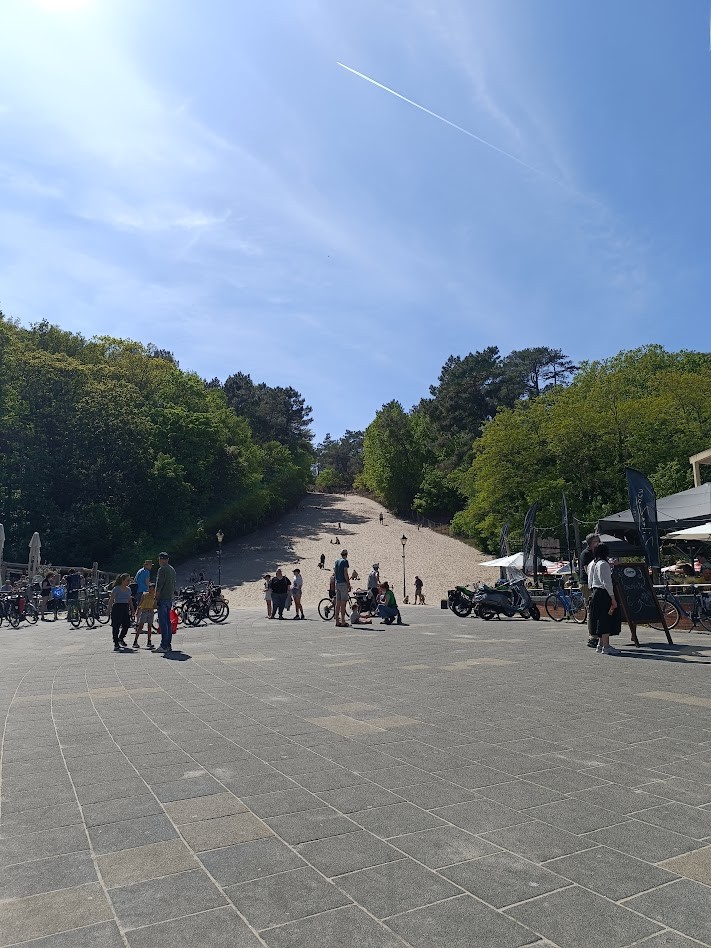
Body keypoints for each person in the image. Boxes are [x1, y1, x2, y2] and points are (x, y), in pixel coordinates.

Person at [587, 543, 621, 655]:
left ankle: (600, 644)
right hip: (603, 593)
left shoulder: (592, 563)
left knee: (598, 618)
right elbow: (607, 583)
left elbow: (590, 582)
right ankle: (606, 646)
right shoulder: (603, 564)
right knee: (605, 619)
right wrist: (613, 598)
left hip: (594, 592)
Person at [579, 533, 600, 648]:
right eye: (597, 541)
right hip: (587, 584)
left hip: (595, 583)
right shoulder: (586, 554)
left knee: (596, 609)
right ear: (591, 543)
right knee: (591, 609)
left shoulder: (598, 553)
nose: (599, 543)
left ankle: (598, 634)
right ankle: (592, 636)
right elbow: (587, 570)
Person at [155, 552, 176, 653]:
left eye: (159, 559)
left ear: (162, 559)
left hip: (163, 598)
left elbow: (159, 585)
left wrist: (155, 598)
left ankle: (163, 645)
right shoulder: (172, 569)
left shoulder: (162, 570)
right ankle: (168, 644)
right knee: (168, 623)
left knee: (163, 623)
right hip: (169, 598)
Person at [107, 573, 135, 650]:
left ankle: (121, 638)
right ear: (123, 580)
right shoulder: (116, 589)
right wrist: (109, 609)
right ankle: (116, 642)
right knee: (116, 626)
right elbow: (111, 599)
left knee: (126, 625)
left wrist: (132, 609)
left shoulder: (128, 589)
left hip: (125, 607)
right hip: (117, 607)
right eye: (127, 580)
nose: (129, 582)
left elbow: (129, 600)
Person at [132, 582, 156, 648]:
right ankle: (135, 641)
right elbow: (140, 603)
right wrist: (137, 611)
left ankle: (149, 641)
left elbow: (155, 605)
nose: (150, 590)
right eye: (150, 589)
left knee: (149, 627)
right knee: (140, 627)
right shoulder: (145, 595)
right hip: (144, 611)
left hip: (151, 612)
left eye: (152, 589)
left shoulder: (155, 596)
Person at [334, 549, 351, 628]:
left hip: (337, 583)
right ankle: (343, 621)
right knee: (343, 603)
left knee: (338, 603)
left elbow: (335, 572)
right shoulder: (345, 561)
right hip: (343, 583)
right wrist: (348, 583)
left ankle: (337, 620)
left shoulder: (336, 561)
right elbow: (345, 573)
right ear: (346, 554)